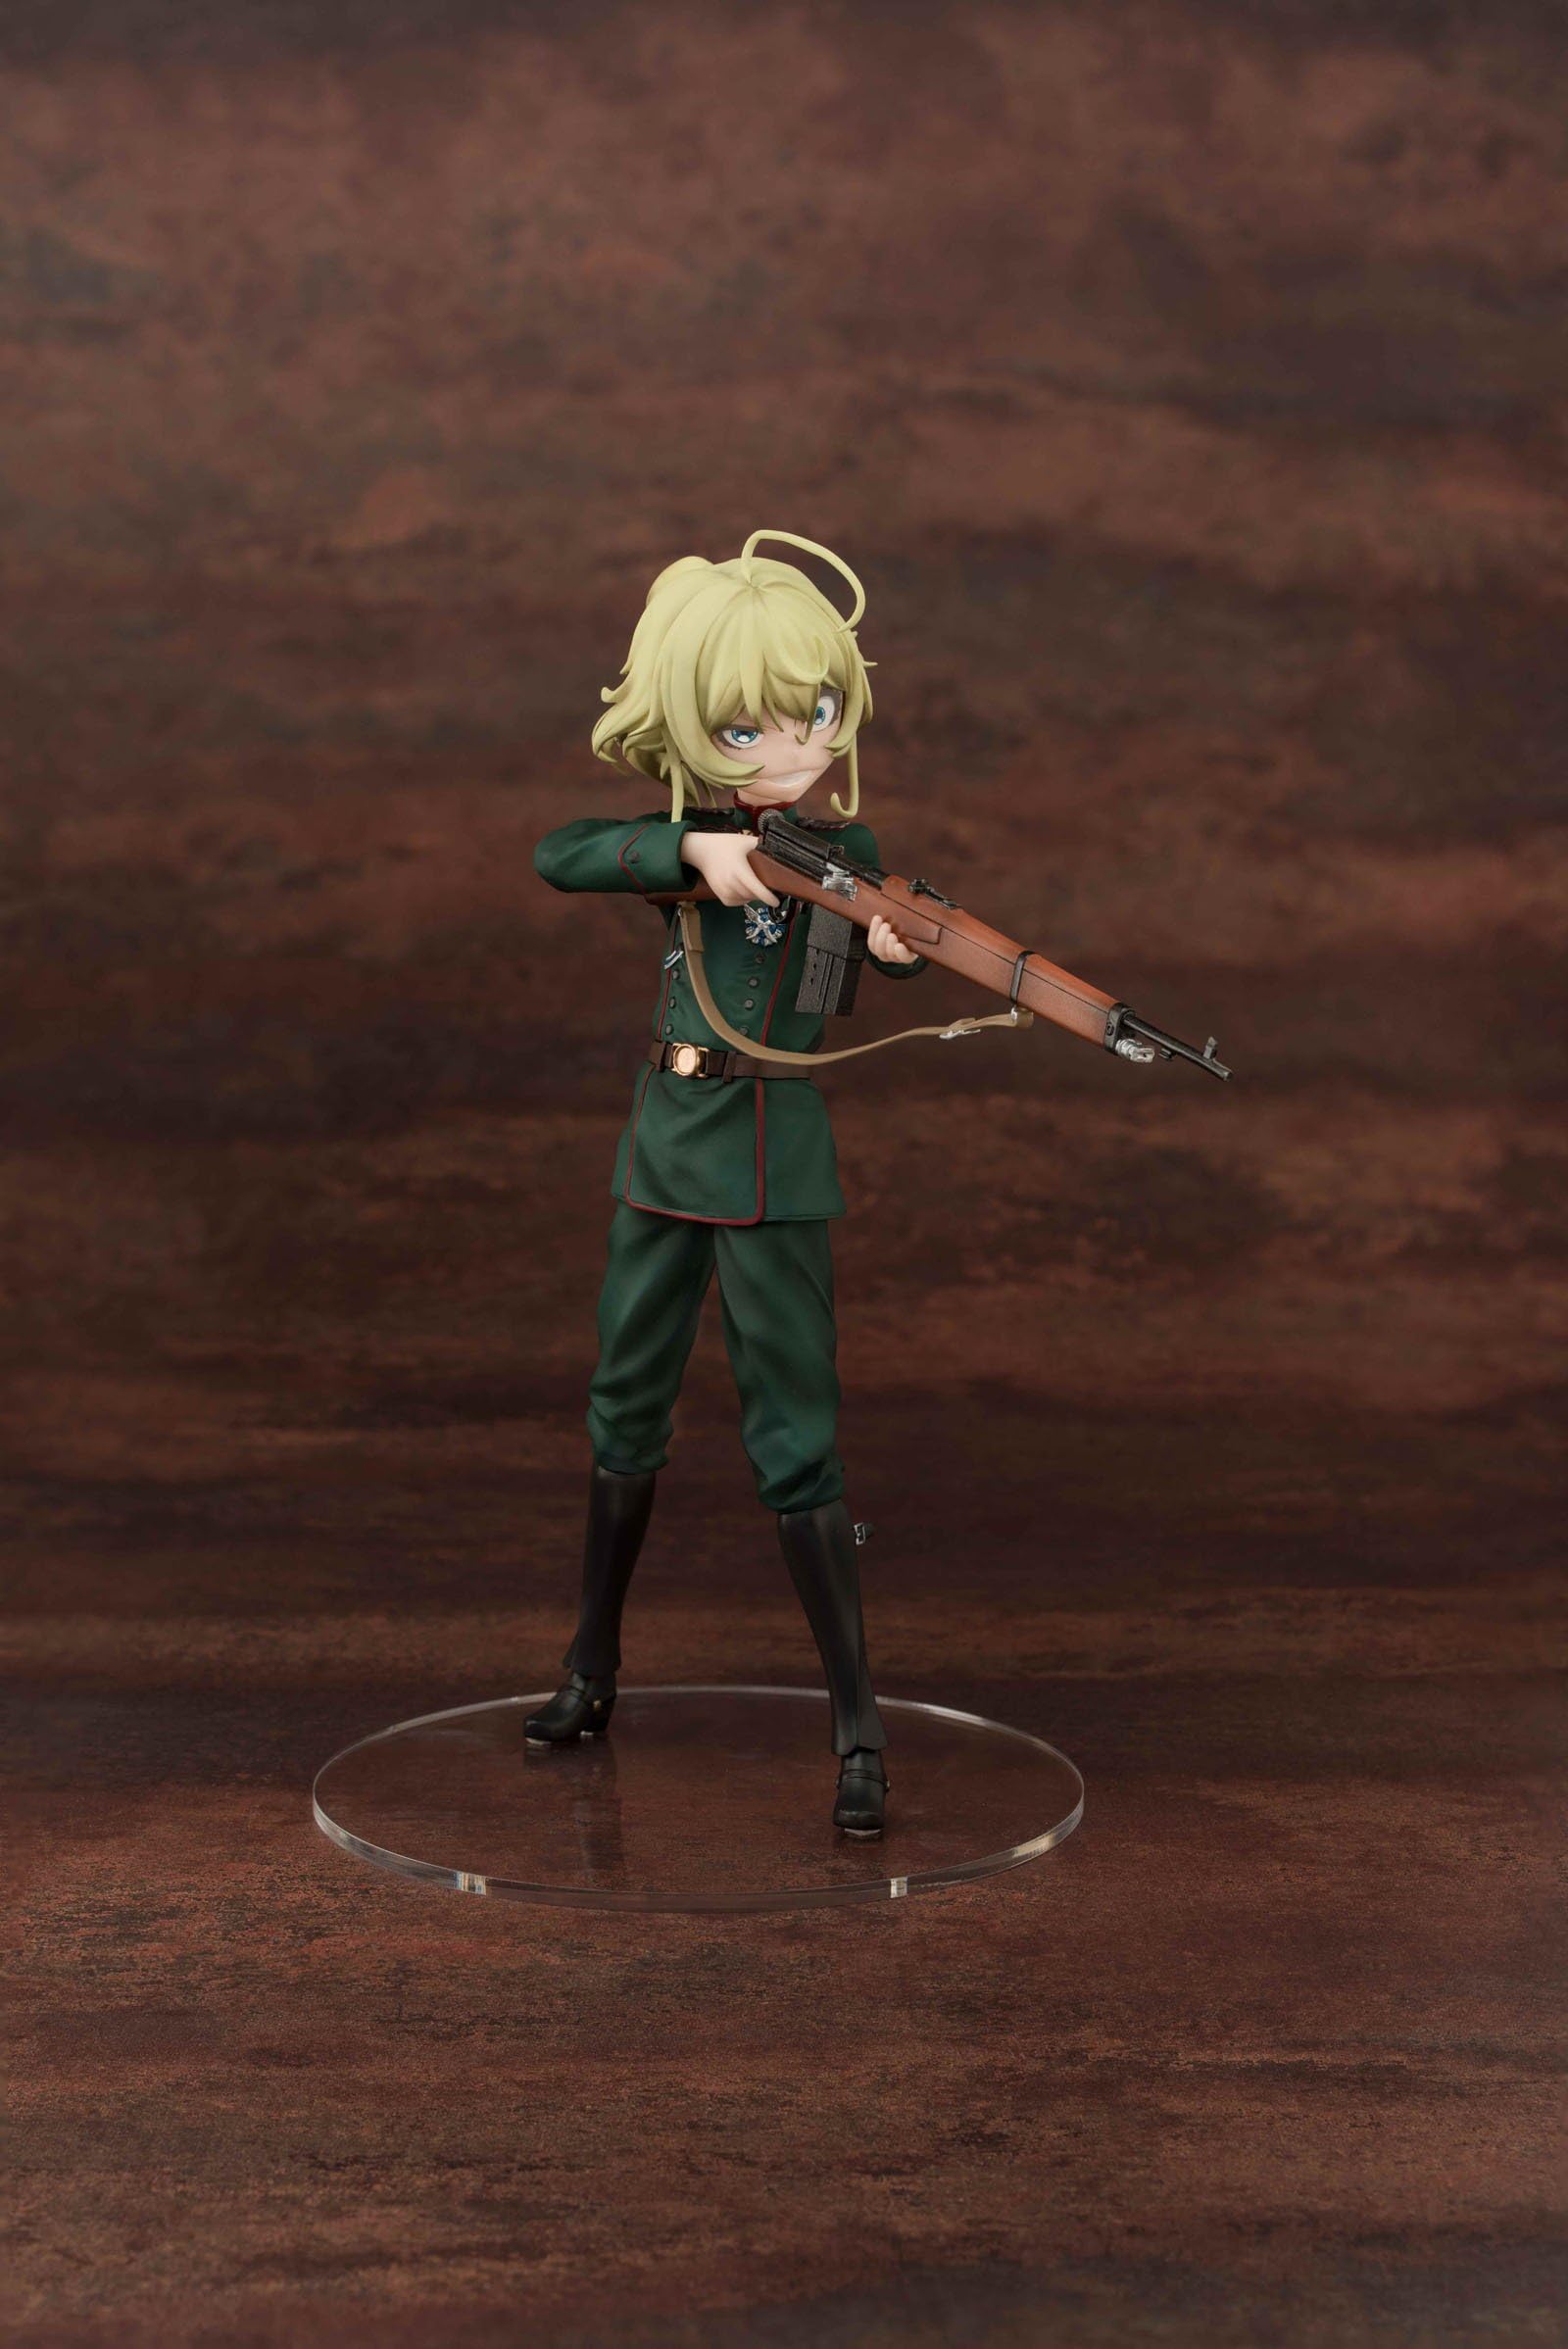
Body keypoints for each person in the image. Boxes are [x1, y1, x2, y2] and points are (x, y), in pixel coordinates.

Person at [526, 530, 924, 1835]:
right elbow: (561, 851)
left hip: (775, 1160)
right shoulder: (687, 837)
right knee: (623, 1406)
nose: (792, 747)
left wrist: (896, 944)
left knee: (797, 1438)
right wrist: (688, 856)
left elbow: (879, 953)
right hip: (667, 1147)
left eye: (813, 715)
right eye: (749, 726)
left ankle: (858, 1729)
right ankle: (590, 1669)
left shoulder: (846, 845)